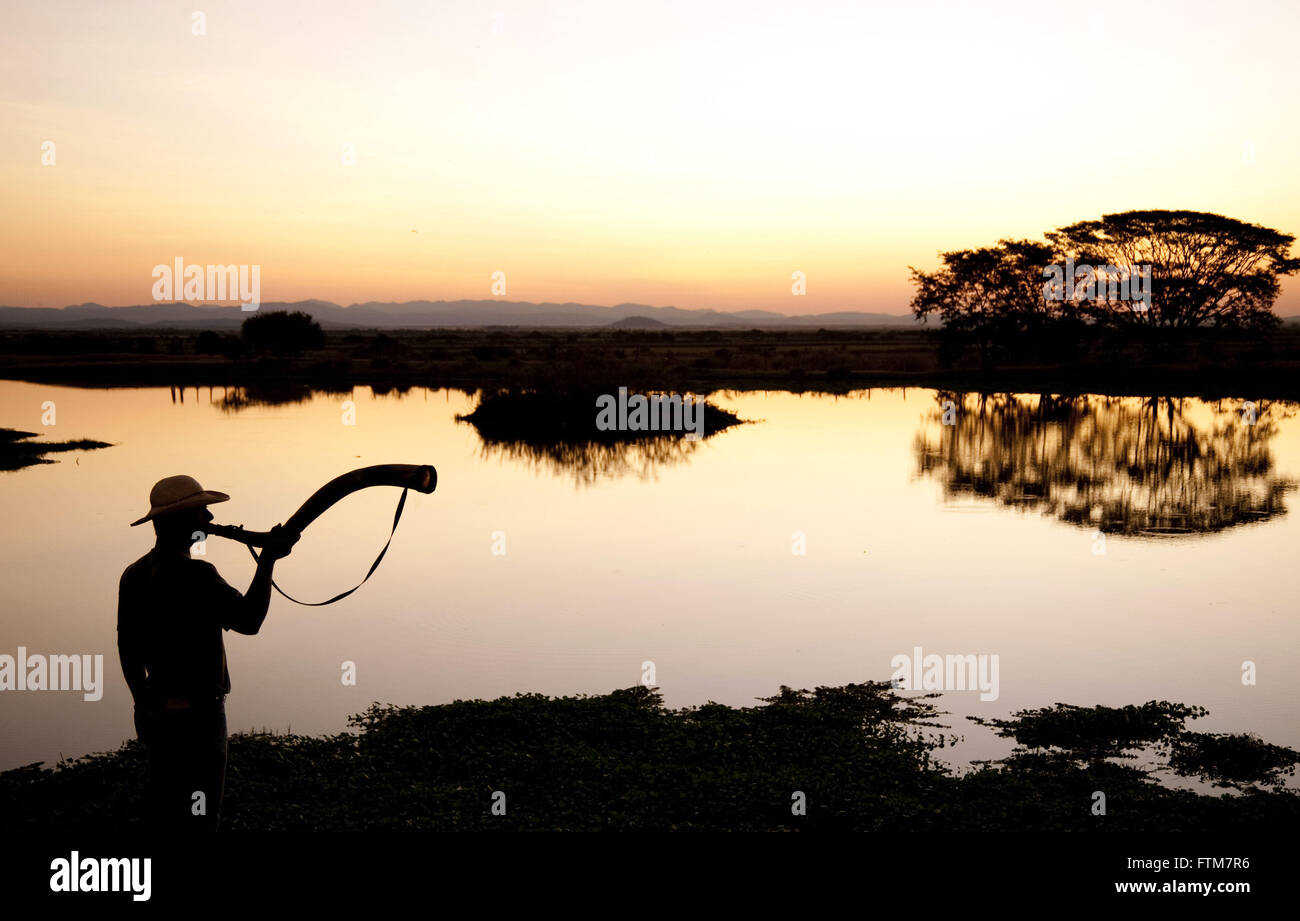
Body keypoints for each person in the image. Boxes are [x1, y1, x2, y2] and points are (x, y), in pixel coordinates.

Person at [118, 474, 297, 831]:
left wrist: (143, 702)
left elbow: (127, 647)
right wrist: (267, 562)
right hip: (199, 719)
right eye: (201, 514)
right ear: (181, 521)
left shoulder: (134, 575)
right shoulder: (197, 574)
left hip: (157, 716)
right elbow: (249, 621)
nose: (210, 521)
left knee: (168, 810)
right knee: (202, 817)